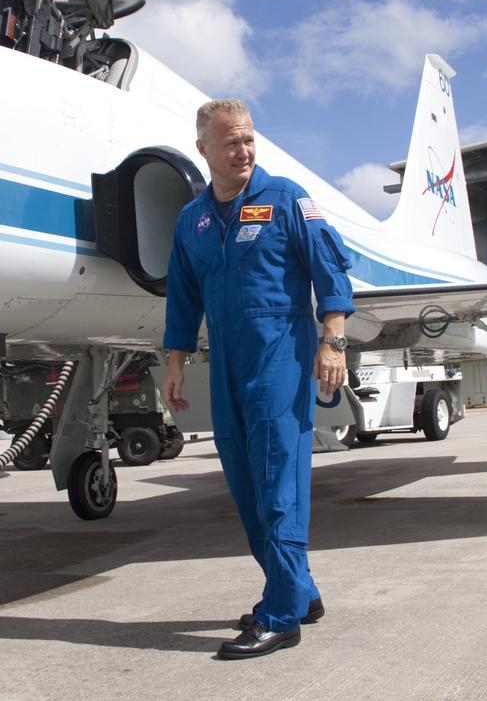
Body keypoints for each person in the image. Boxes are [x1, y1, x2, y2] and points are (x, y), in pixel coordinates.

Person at [160, 98, 354, 659]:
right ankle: (300, 592)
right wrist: (175, 361)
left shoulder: (287, 198)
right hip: (225, 361)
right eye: (230, 143)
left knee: (276, 482)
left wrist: (332, 340)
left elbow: (330, 270)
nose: (242, 150)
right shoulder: (191, 220)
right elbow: (182, 295)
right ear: (204, 151)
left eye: (248, 139)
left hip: (280, 355)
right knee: (245, 484)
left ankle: (281, 614)